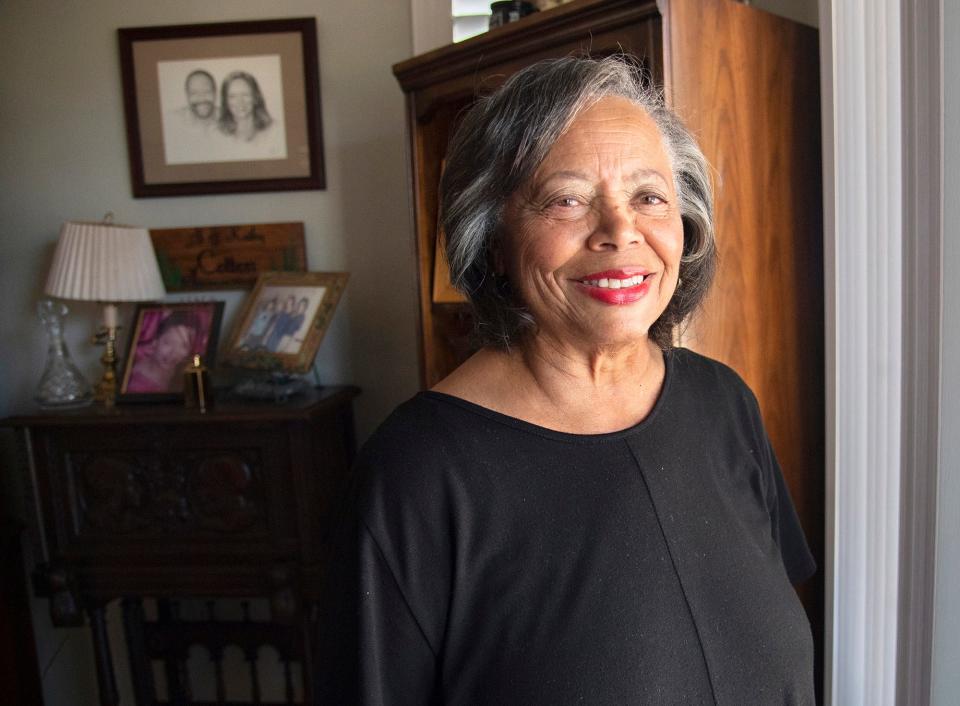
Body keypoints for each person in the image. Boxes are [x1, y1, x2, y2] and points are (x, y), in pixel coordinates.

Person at [316, 56, 816, 704]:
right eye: (567, 199)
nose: (620, 231)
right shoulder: (415, 476)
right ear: (492, 236)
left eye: (648, 196)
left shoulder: (724, 403)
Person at [126, 310, 204, 393]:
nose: (173, 353)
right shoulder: (134, 378)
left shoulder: (187, 376)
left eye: (183, 347)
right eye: (168, 342)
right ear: (155, 341)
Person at [218, 71, 273, 142]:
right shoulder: (218, 136)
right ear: (225, 102)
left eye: (245, 95)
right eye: (233, 96)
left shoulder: (273, 131)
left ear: (255, 97)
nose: (240, 101)